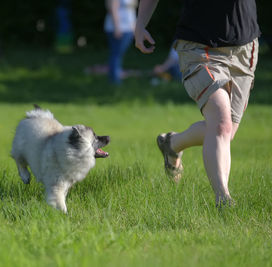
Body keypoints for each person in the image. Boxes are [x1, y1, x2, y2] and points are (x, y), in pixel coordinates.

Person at [134, 0, 260, 207]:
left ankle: (171, 144)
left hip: (244, 49)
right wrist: (140, 24)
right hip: (199, 47)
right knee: (221, 124)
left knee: (226, 133)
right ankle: (223, 200)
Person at [104, 0, 138, 84]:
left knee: (118, 54)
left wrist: (135, 27)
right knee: (116, 54)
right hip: (117, 28)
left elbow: (132, 10)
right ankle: (115, 80)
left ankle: (115, 76)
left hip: (128, 28)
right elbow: (112, 8)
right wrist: (117, 27)